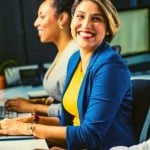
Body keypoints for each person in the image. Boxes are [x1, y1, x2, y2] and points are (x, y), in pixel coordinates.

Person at [0, 0, 136, 149]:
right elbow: (69, 122)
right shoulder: (75, 59)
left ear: (108, 28)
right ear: (71, 22)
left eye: (96, 19)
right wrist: (33, 121)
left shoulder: (110, 66)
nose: (86, 25)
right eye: (80, 16)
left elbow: (89, 135)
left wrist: (27, 129)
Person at [4, 0, 78, 117]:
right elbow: (61, 97)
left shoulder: (75, 54)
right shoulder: (64, 51)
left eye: (42, 17)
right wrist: (37, 102)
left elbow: (76, 110)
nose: (35, 23)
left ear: (62, 18)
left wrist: (32, 107)